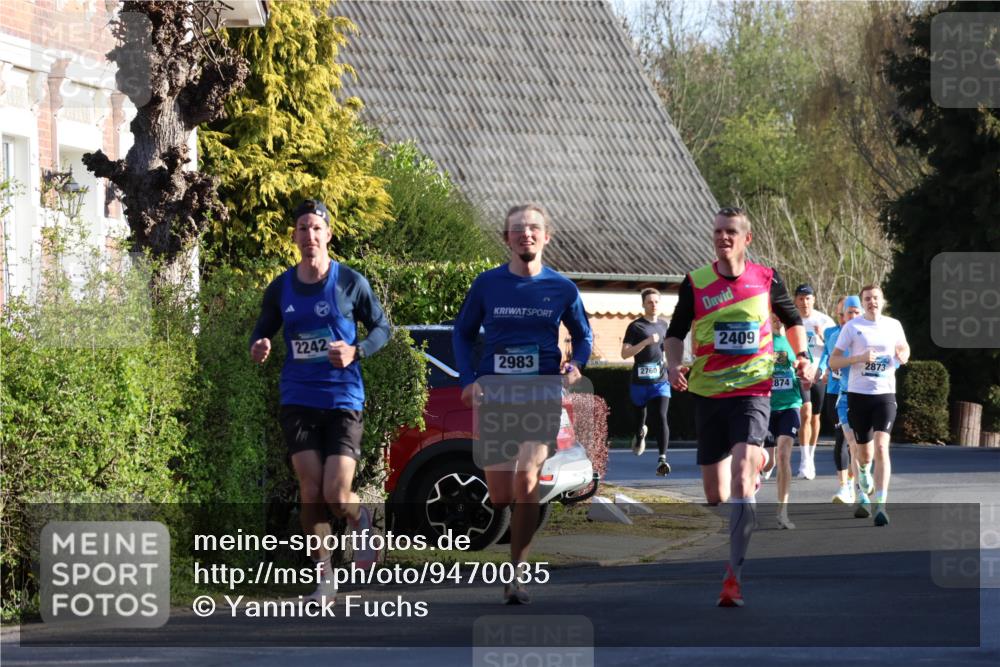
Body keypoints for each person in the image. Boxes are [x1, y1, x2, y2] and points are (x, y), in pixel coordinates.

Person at [665, 206, 812, 608]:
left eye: (731, 232)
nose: (723, 237)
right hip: (708, 392)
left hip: (752, 390)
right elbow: (675, 333)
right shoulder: (695, 282)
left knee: (741, 485)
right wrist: (673, 362)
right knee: (715, 495)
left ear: (747, 239)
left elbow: (792, 318)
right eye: (717, 232)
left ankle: (733, 577)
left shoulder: (766, 278)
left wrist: (803, 355)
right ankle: (761, 461)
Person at [249, 199, 392, 603]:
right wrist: (258, 345)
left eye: (316, 229)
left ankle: (359, 515)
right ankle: (323, 578)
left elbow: (383, 327)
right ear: (294, 237)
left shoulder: (349, 282)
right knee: (310, 490)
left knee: (335, 492)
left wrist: (357, 351)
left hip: (343, 398)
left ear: (328, 235)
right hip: (298, 396)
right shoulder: (281, 287)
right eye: (302, 229)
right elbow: (262, 331)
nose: (309, 236)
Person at [453, 203, 593, 605]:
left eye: (533, 228)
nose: (526, 234)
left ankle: (517, 573)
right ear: (506, 239)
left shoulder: (563, 288)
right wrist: (467, 380)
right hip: (497, 396)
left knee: (527, 478)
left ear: (546, 236)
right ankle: (514, 549)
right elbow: (462, 334)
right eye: (518, 230)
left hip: (542, 395)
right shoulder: (487, 285)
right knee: (500, 495)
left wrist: (575, 364)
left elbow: (583, 336)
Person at [830, 285, 909, 526]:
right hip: (858, 395)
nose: (872, 302)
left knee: (882, 447)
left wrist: (903, 354)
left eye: (875, 298)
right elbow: (834, 360)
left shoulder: (893, 324)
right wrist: (858, 358)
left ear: (882, 300)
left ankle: (881, 505)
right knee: (863, 454)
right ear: (862, 303)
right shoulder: (852, 327)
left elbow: (904, 347)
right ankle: (863, 480)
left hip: (885, 394)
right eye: (867, 299)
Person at [621, 288, 672, 475]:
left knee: (660, 416)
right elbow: (624, 353)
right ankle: (639, 433)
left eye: (656, 301)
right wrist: (646, 342)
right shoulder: (635, 327)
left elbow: (667, 351)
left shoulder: (665, 325)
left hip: (660, 381)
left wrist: (673, 366)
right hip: (640, 383)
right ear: (643, 304)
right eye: (650, 302)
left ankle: (662, 459)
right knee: (639, 418)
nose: (654, 305)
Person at [766, 312, 806, 529]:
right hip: (764, 407)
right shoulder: (762, 340)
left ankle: (783, 511)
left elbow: (805, 369)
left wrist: (806, 375)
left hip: (790, 404)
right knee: (768, 461)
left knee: (783, 456)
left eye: (781, 316)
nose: (778, 319)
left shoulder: (795, 341)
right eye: (774, 315)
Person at [793, 284, 835, 480]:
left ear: (814, 300)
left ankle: (810, 456)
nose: (804, 302)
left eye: (808, 298)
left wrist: (821, 336)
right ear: (796, 301)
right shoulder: (792, 320)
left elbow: (835, 348)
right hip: (800, 374)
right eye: (801, 298)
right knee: (805, 412)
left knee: (816, 416)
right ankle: (803, 460)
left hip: (818, 373)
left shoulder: (824, 320)